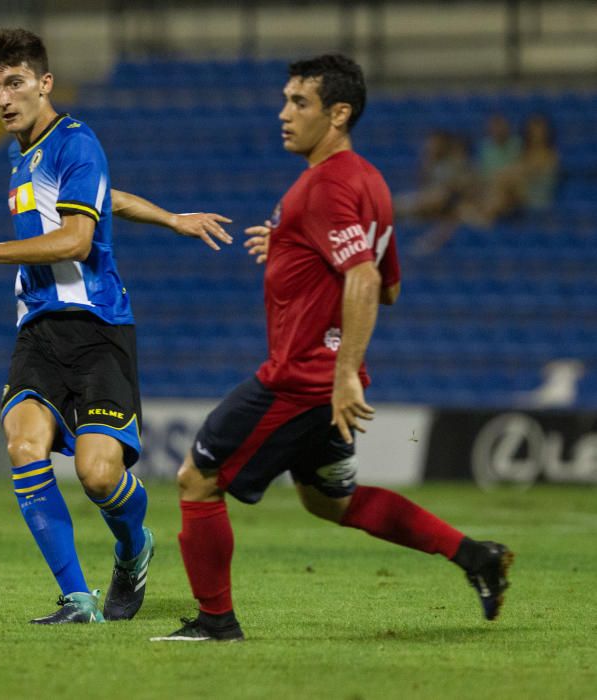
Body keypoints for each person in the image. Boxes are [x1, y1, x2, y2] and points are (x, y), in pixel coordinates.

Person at [152, 55, 513, 642]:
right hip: (327, 382)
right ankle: (477, 557)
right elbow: (390, 283)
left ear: (338, 113)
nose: (284, 114)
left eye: (300, 102)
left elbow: (366, 279)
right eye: (286, 99)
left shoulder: (324, 186)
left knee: (198, 477)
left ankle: (216, 622)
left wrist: (344, 372)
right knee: (328, 502)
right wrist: (294, 246)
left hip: (300, 381)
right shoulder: (369, 182)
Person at [0, 28, 232, 624]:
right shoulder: (21, 151)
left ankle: (133, 549)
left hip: (98, 330)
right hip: (38, 332)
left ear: (44, 83)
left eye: (15, 83)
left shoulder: (78, 141)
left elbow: (77, 238)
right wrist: (171, 217)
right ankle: (77, 598)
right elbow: (104, 197)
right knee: (24, 445)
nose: (2, 98)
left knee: (99, 476)